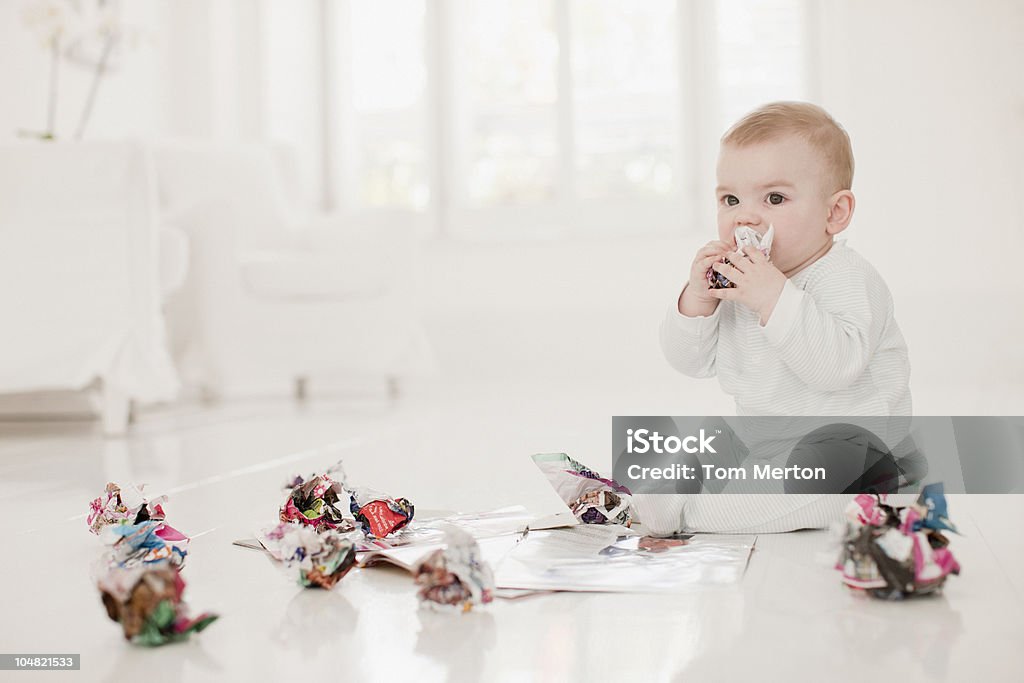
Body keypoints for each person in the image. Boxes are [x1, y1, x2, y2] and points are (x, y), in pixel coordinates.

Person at [634, 101, 913, 534]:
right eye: (730, 199)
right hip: (765, 437)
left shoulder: (848, 278)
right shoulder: (744, 280)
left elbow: (834, 368)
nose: (744, 216)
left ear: (834, 213)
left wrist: (774, 298)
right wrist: (698, 299)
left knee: (803, 486)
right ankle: (662, 495)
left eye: (775, 198)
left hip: (853, 452)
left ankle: (687, 513)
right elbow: (691, 362)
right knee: (711, 437)